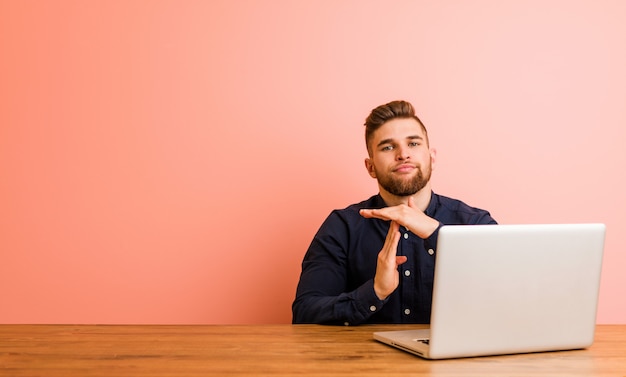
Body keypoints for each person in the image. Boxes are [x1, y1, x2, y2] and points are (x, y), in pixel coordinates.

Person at [292, 100, 497, 325]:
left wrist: (436, 233)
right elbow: (305, 313)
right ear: (370, 167)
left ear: (432, 158)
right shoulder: (343, 227)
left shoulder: (474, 223)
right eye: (388, 147)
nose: (403, 154)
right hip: (368, 360)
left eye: (414, 144)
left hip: (454, 360)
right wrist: (375, 291)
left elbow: (509, 292)